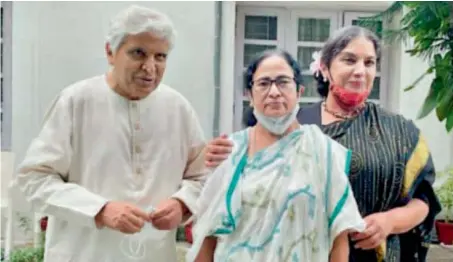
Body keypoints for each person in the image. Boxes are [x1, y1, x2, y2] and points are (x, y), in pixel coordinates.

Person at [203, 26, 442, 262]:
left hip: (375, 253)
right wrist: (220, 155)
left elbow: (423, 200)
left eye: (369, 63)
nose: (360, 70)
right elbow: (251, 177)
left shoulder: (400, 132)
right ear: (325, 68)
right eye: (349, 60)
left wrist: (389, 221)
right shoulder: (291, 125)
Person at [12, 5, 208, 262]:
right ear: (110, 52)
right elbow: (34, 179)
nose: (150, 67)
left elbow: (203, 177)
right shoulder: (76, 102)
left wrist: (181, 204)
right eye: (139, 53)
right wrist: (100, 210)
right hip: (81, 254)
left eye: (160, 57)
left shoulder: (178, 108)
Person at [186, 49, 366, 262]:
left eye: (282, 82)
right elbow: (209, 236)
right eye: (263, 83)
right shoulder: (230, 152)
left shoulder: (323, 153)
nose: (274, 92)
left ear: (299, 92)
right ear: (249, 95)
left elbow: (339, 236)